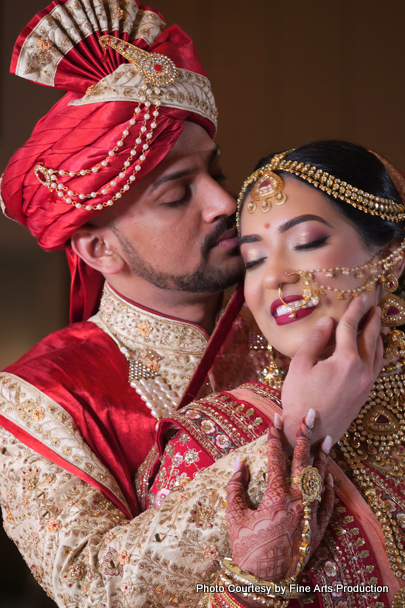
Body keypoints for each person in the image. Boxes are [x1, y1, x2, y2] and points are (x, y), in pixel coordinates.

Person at [0, 1, 381, 606]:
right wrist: (300, 434)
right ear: (98, 247)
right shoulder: (45, 397)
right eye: (178, 193)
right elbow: (95, 587)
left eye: (217, 170)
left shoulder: (296, 305)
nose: (223, 201)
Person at [143, 140, 405, 607]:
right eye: (254, 259)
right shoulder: (214, 441)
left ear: (390, 255)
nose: (272, 277)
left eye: (305, 243)